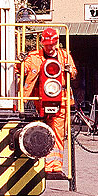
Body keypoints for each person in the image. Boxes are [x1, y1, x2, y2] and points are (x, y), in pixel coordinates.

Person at [22, 27, 76, 178]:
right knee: (38, 132)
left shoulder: (65, 56)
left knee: (58, 133)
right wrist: (19, 62)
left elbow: (74, 73)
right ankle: (40, 164)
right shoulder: (33, 57)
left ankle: (54, 167)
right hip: (38, 101)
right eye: (46, 45)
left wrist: (69, 70)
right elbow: (22, 69)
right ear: (42, 43)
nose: (49, 47)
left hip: (61, 100)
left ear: (56, 43)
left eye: (52, 44)